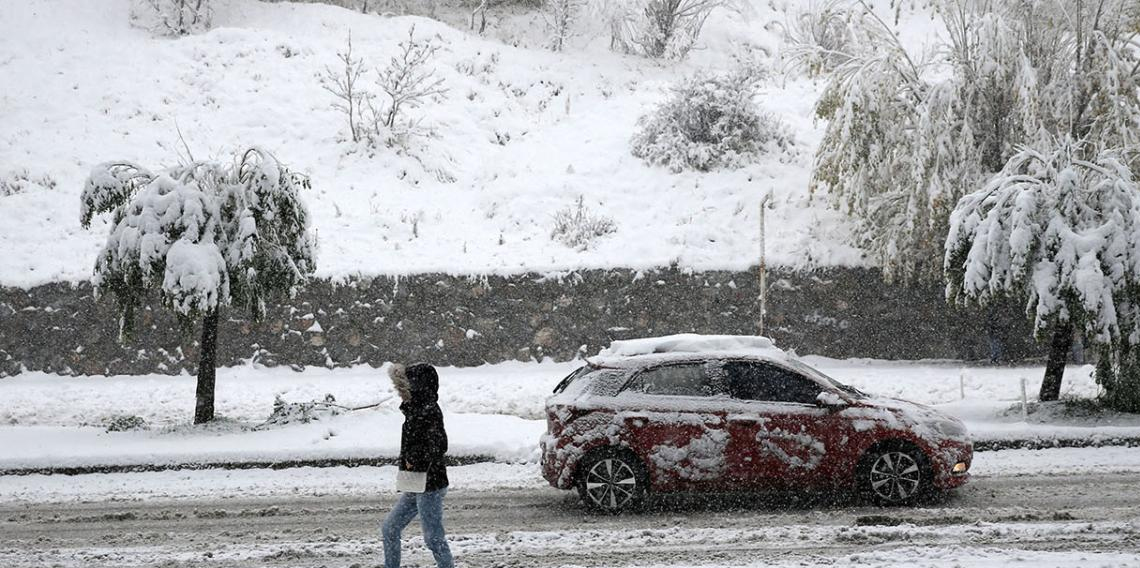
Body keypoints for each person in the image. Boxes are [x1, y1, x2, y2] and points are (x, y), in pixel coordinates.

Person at [382, 362, 453, 568]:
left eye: (404, 386)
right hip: (415, 482)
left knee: (433, 538)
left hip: (431, 484)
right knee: (390, 529)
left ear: (418, 386)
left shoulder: (429, 411)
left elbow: (440, 445)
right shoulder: (415, 409)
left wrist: (416, 460)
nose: (401, 391)